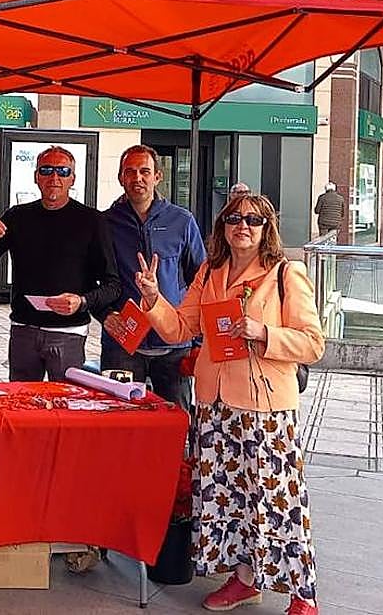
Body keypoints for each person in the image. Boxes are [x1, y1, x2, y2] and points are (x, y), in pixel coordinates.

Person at [137, 192, 324, 615]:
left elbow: (313, 344)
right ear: (222, 226)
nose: (244, 225)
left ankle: (302, 593)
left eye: (254, 220)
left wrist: (264, 333)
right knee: (229, 496)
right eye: (234, 218)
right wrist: (152, 298)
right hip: (215, 404)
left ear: (267, 228)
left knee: (276, 497)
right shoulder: (210, 271)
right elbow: (179, 328)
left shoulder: (284, 274)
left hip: (264, 407)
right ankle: (244, 580)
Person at [0, 146, 120, 381]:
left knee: (66, 406)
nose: (54, 178)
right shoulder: (17, 216)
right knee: (22, 407)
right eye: (46, 170)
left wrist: (82, 301)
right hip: (23, 330)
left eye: (63, 171)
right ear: (36, 177)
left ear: (72, 179)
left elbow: (112, 285)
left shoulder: (91, 221)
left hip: (68, 332)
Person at [100, 145, 205, 412]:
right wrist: (104, 315)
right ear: (121, 178)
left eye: (144, 171)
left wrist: (198, 342)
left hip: (174, 346)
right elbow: (90, 280)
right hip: (122, 346)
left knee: (176, 422)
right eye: (130, 172)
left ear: (158, 176)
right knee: (119, 424)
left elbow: (202, 281)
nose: (138, 178)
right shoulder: (105, 223)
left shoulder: (181, 221)